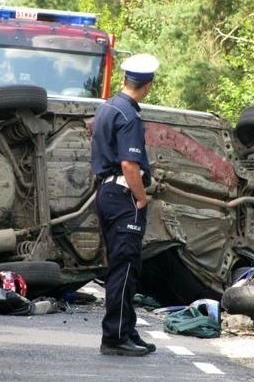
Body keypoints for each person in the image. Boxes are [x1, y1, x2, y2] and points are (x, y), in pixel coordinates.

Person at [91, 53, 159, 356]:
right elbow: (129, 163)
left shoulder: (107, 107)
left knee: (126, 264)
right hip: (123, 196)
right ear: (148, 85)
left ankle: (127, 329)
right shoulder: (129, 116)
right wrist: (141, 197)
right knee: (124, 267)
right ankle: (116, 336)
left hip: (107, 193)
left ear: (123, 79)